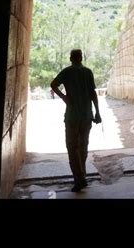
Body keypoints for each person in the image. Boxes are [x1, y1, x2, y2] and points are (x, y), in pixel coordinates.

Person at [51, 49, 102, 192]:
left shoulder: (66, 72)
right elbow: (93, 94)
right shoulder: (88, 72)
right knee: (83, 146)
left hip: (72, 116)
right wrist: (97, 112)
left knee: (72, 148)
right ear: (81, 57)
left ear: (70, 58)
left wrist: (63, 97)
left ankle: (79, 179)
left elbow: (53, 84)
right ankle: (82, 176)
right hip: (86, 116)